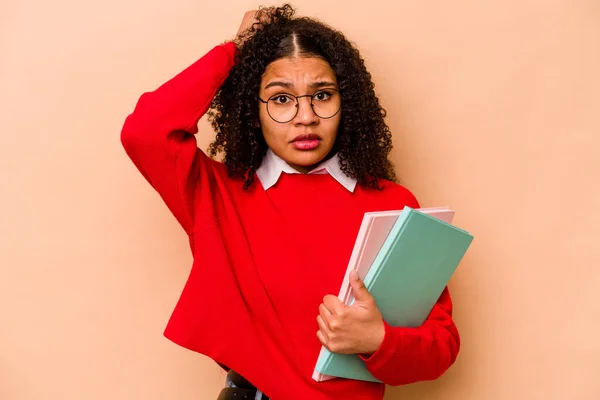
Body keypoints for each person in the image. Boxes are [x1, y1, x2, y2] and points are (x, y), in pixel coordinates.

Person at [120, 5, 459, 400]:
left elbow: (440, 346)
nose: (305, 117)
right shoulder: (216, 193)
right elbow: (146, 131)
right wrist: (235, 50)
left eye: (322, 95)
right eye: (281, 99)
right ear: (253, 108)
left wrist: (376, 339)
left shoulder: (393, 204)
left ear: (346, 102)